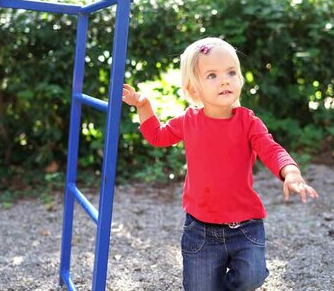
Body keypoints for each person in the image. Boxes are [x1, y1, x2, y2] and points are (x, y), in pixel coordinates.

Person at [122, 37, 318, 291]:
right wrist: (144, 105)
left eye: (231, 72)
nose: (225, 80)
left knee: (252, 277)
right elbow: (158, 137)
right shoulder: (188, 121)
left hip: (245, 226)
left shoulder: (248, 122)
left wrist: (290, 171)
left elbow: (271, 149)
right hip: (200, 229)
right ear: (194, 90)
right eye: (212, 75)